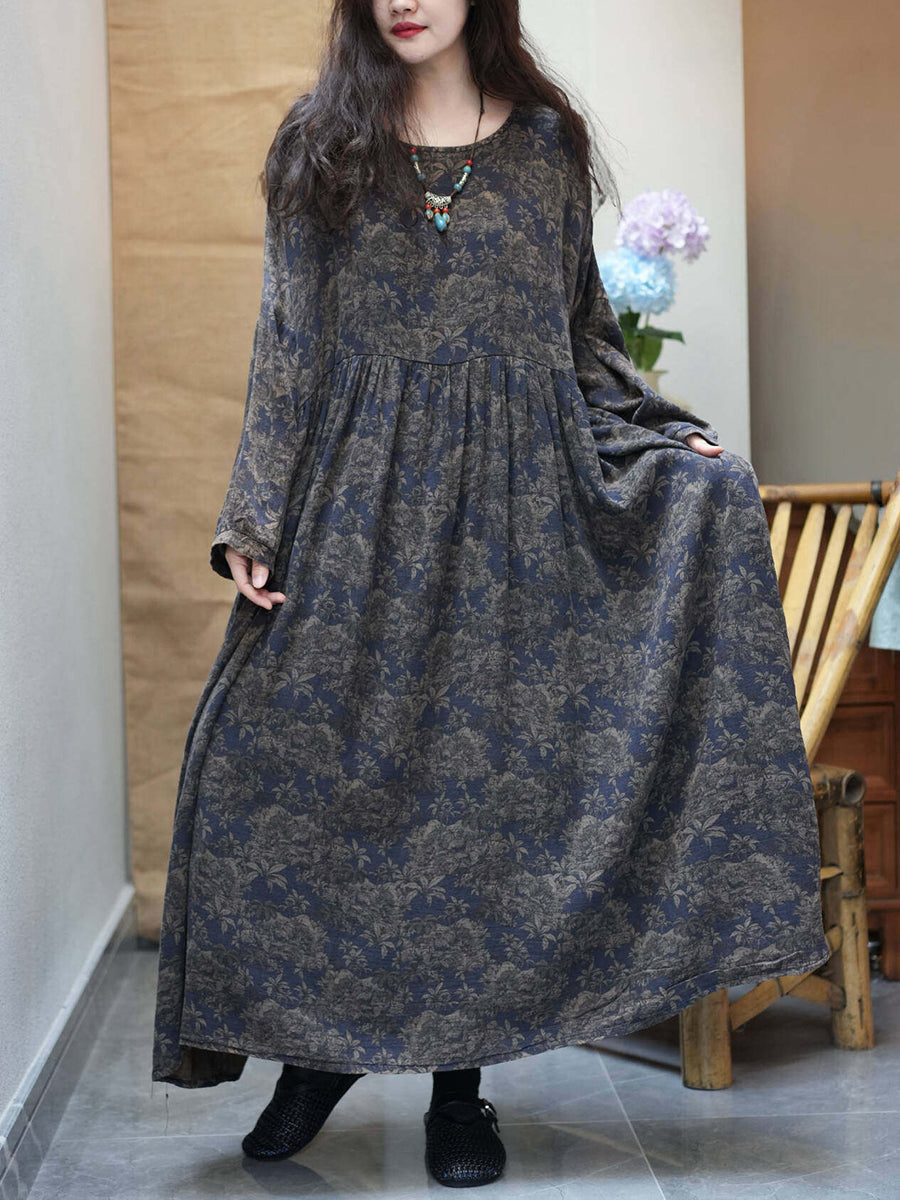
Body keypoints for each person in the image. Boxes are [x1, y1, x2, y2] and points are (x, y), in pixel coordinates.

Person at [151, 0, 832, 1188]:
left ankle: (459, 1095)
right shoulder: (321, 141)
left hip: (520, 515)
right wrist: (255, 513)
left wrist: (666, 434)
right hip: (358, 509)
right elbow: (287, 342)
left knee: (483, 806)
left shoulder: (549, 145)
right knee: (292, 774)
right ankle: (321, 1052)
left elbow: (580, 335)